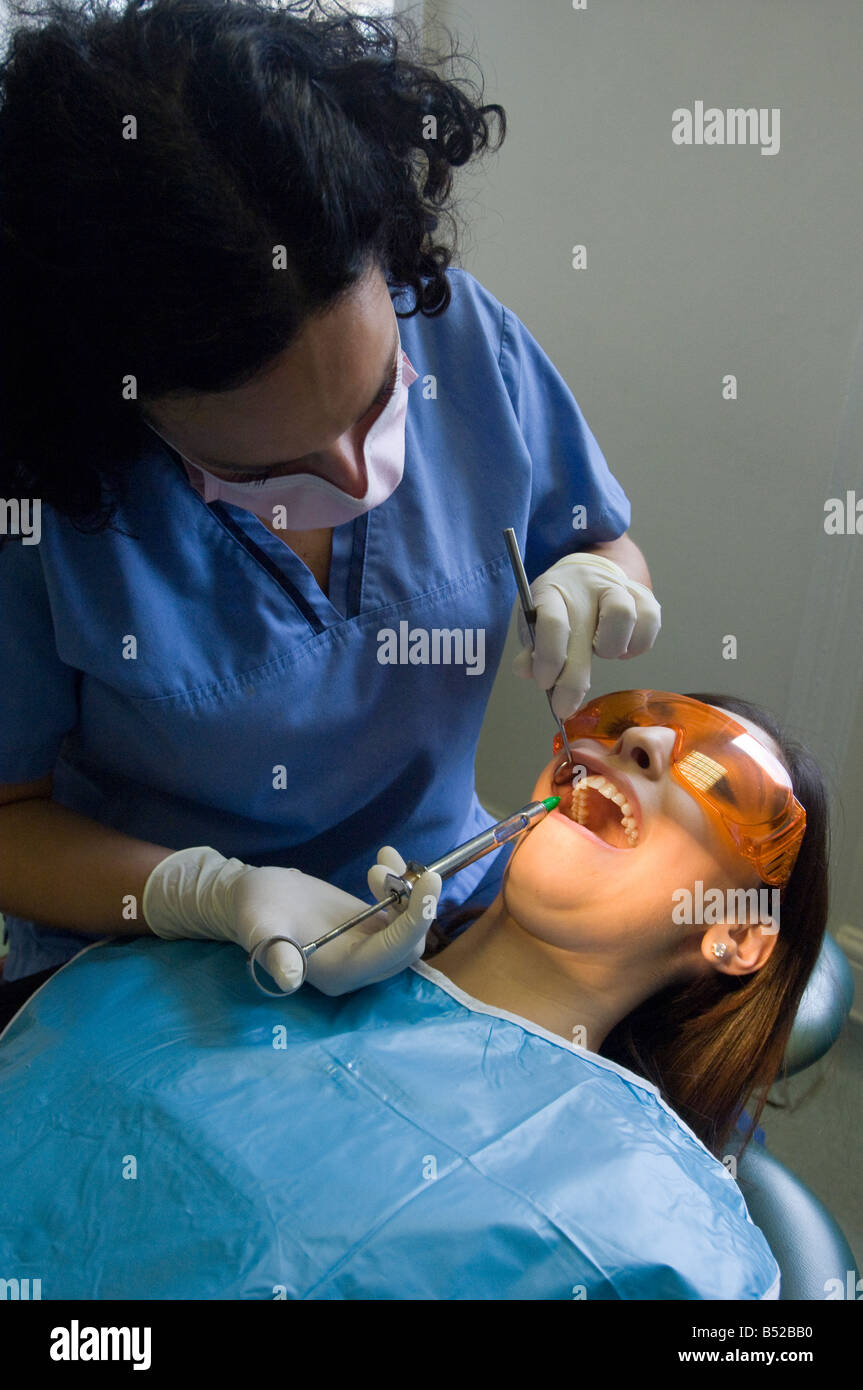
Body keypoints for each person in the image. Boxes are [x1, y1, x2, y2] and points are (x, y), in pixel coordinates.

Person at [0, 0, 660, 1009]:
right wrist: (206, 895)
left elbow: (599, 539)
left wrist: (599, 581)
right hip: (161, 969)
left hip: (448, 898)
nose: (361, 480)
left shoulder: (459, 336)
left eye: (378, 405)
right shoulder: (40, 504)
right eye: (280, 467)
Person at [0, 690, 828, 1299]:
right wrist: (201, 899)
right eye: (618, 717)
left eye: (723, 775)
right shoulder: (238, 954)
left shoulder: (662, 1233)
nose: (640, 736)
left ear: (737, 930)